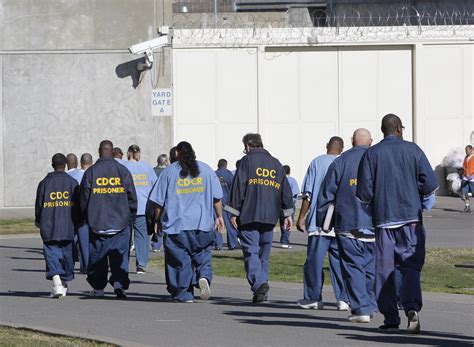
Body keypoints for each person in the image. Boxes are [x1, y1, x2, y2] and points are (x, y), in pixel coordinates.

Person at [356, 114, 438, 334]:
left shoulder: (371, 154)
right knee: (410, 265)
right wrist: (418, 197)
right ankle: (411, 307)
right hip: (411, 219)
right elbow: (430, 184)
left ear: (382, 130)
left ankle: (391, 316)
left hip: (384, 221)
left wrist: (373, 207)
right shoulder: (414, 150)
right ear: (400, 129)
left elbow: (363, 193)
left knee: (384, 269)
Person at [150, 141, 224, 302]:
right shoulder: (206, 170)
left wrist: (157, 220)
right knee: (203, 253)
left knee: (179, 261)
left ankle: (184, 293)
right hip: (202, 224)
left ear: (177, 153)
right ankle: (203, 275)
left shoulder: (169, 172)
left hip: (177, 226)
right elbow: (217, 198)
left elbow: (158, 202)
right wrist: (219, 217)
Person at [317, 129, 377, 323]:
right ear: (371, 141)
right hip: (375, 223)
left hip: (348, 222)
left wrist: (323, 221)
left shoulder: (340, 162)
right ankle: (370, 303)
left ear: (352, 141)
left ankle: (361, 308)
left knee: (353, 266)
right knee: (370, 267)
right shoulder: (378, 159)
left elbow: (326, 194)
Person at [225, 133, 294, 303]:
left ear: (248, 146)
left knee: (251, 251)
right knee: (264, 253)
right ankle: (261, 290)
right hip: (270, 216)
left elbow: (238, 186)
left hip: (249, 214)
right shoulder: (276, 163)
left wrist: (233, 212)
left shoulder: (247, 161)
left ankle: (259, 283)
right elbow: (286, 191)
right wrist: (287, 214)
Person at [296, 136, 349, 311]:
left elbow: (308, 194)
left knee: (314, 261)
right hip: (341, 221)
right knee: (339, 261)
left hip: (320, 221)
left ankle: (313, 297)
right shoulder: (346, 162)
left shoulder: (317, 163)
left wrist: (302, 216)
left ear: (327, 146)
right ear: (342, 148)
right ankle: (343, 298)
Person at [80, 140, 137, 298]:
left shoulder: (90, 173)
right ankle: (119, 284)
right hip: (121, 223)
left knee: (98, 258)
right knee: (120, 257)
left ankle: (98, 288)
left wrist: (85, 217)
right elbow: (131, 196)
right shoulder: (122, 170)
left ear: (99, 151)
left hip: (97, 222)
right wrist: (130, 217)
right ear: (112, 152)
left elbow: (83, 198)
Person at [35, 153, 80, 297]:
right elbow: (78, 206)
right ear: (65, 165)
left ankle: (59, 283)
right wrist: (79, 221)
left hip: (49, 224)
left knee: (52, 253)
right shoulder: (72, 183)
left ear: (52, 165)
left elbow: (39, 204)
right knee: (67, 255)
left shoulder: (44, 183)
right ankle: (59, 283)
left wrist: (38, 219)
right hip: (68, 225)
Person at [123, 145, 158, 274]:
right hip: (143, 207)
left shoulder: (124, 167)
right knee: (142, 237)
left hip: (126, 207)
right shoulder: (146, 167)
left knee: (125, 236)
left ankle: (123, 263)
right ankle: (141, 264)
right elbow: (155, 184)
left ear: (129, 153)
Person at [67, 153, 93, 273]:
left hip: (74, 211)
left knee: (73, 239)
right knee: (85, 242)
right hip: (88, 212)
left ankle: (71, 263)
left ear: (81, 163)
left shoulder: (73, 175)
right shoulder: (93, 174)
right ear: (91, 162)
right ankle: (85, 266)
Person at [215, 159, 239, 250]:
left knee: (217, 223)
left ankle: (218, 244)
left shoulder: (214, 174)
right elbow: (234, 189)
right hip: (228, 204)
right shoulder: (229, 175)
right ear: (226, 165)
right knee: (230, 225)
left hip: (216, 203)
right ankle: (232, 244)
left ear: (218, 165)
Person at [150, 153, 170, 252]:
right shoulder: (168, 172)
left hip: (152, 200)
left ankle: (155, 244)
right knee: (163, 222)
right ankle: (160, 243)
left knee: (155, 221)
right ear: (165, 161)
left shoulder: (152, 171)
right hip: (165, 200)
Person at [280, 165, 300, 249]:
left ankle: (283, 239)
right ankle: (284, 241)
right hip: (289, 205)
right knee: (288, 222)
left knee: (281, 222)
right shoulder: (292, 181)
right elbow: (295, 194)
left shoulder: (279, 180)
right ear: (289, 171)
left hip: (278, 205)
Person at [461, 145, 474, 213]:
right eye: (465, 150)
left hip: (472, 178)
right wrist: (464, 173)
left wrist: (471, 173)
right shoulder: (466, 158)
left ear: (471, 150)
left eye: (467, 150)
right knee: (464, 192)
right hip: (466, 178)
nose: (466, 151)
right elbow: (464, 166)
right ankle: (467, 207)